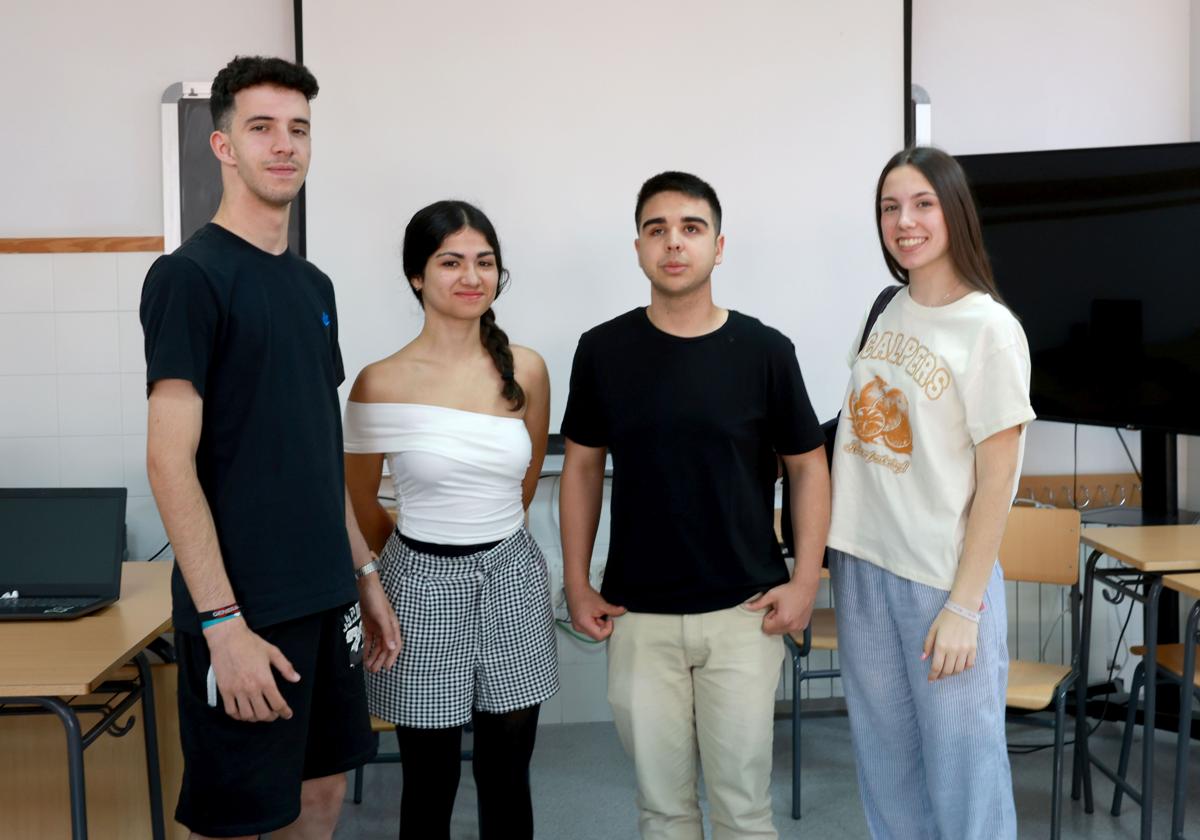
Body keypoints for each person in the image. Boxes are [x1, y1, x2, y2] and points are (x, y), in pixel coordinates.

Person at [140, 55, 400, 840]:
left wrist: (365, 577)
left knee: (319, 798)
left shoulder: (311, 286)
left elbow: (317, 455)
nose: (284, 145)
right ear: (223, 145)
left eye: (299, 129)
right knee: (234, 818)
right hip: (247, 610)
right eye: (262, 128)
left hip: (327, 600)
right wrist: (222, 623)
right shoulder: (189, 277)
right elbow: (167, 460)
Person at [559, 171, 830, 840]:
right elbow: (583, 467)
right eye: (657, 229)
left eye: (690, 228)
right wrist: (575, 581)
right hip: (638, 616)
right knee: (663, 810)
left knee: (742, 809)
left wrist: (806, 582)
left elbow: (808, 468)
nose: (673, 243)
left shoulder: (765, 350)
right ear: (639, 247)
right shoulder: (603, 351)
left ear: (718, 245)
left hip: (744, 613)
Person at [826, 146, 1034, 839]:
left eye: (922, 203)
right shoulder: (887, 308)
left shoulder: (991, 329)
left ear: (954, 212)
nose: (904, 221)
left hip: (940, 582)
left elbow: (999, 482)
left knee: (964, 778)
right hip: (862, 566)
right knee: (888, 772)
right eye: (890, 207)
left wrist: (965, 608)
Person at [343, 199, 558, 840]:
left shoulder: (527, 369)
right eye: (451, 262)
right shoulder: (379, 383)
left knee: (507, 774)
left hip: (512, 577)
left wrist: (484, 544)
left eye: (485, 262)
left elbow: (525, 481)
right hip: (420, 583)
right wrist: (417, 559)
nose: (471, 277)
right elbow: (360, 501)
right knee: (429, 780)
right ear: (417, 275)